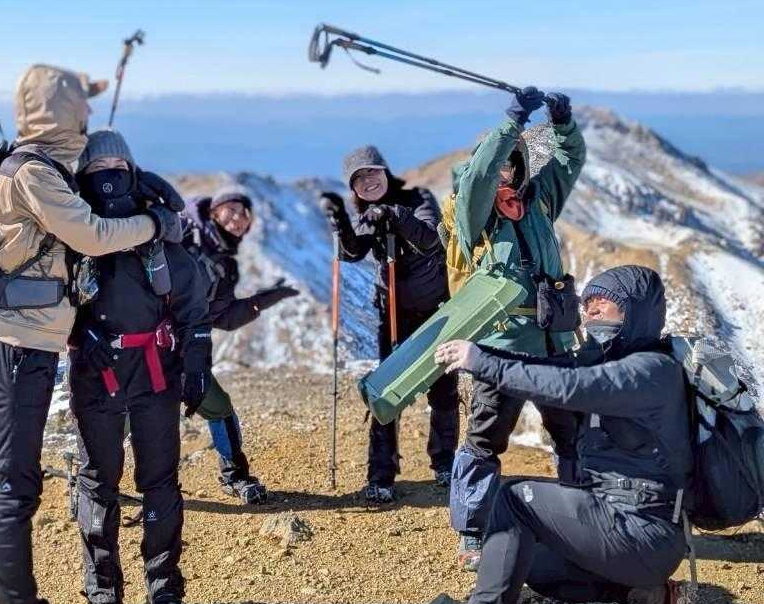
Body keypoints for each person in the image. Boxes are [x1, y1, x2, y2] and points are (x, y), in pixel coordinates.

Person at [0, 65, 177, 604]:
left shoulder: (34, 164)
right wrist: (153, 225)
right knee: (15, 488)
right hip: (17, 347)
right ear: (64, 114)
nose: (87, 118)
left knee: (4, 480)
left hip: (17, 344)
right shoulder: (33, 171)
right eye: (80, 107)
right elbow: (90, 234)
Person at [405, 264, 695, 604]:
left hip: (643, 531)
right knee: (531, 564)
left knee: (513, 499)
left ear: (637, 313)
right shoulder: (611, 362)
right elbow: (549, 371)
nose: (592, 313)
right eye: (588, 304)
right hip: (624, 526)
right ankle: (652, 597)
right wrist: (485, 358)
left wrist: (483, 361)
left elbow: (567, 387)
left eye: (606, 305)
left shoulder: (650, 371)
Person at [69, 129, 212, 604]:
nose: (107, 176)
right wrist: (78, 333)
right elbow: (51, 300)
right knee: (98, 480)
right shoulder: (71, 235)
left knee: (159, 480)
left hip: (155, 371)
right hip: (96, 372)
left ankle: (165, 591)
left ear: (131, 171)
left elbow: (193, 309)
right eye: (95, 168)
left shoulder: (160, 240)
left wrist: (197, 363)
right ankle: (104, 594)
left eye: (116, 165)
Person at [447, 88, 585, 570]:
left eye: (513, 162)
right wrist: (511, 123)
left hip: (553, 339)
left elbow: (569, 160)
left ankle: (583, 518)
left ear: (523, 167)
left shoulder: (539, 200)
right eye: (500, 163)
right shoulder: (474, 212)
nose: (505, 170)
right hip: (501, 345)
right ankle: (473, 530)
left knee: (572, 433)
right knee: (486, 436)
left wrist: (563, 122)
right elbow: (480, 175)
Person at [321, 145, 460, 507]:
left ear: (385, 171)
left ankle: (445, 463)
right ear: (353, 188)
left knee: (443, 391)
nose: (368, 181)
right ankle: (380, 474)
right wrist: (340, 221)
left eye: (372, 172)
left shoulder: (417, 198)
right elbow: (352, 252)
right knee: (387, 392)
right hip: (392, 312)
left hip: (437, 312)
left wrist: (394, 214)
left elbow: (431, 240)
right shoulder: (368, 213)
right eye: (358, 178)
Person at [181, 185, 299, 504]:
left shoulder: (225, 266)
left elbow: (224, 317)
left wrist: (263, 300)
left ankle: (235, 476)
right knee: (126, 413)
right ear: (213, 211)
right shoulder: (183, 233)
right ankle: (95, 481)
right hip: (149, 347)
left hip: (187, 355)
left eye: (245, 214)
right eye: (231, 209)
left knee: (219, 407)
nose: (238, 217)